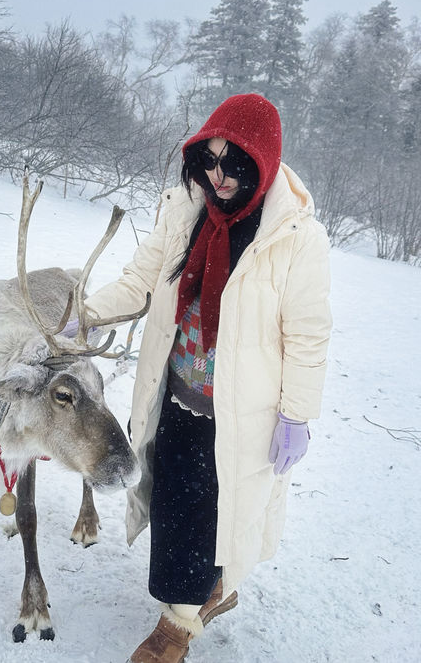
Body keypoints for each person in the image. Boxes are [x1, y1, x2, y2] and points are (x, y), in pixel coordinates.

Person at [83, 93, 332, 663]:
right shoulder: (186, 211)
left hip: (243, 414)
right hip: (178, 395)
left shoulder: (294, 237)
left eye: (234, 163)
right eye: (209, 160)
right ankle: (196, 596)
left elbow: (308, 334)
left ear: (262, 161)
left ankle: (177, 628)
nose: (218, 176)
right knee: (177, 508)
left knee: (222, 512)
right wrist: (87, 312)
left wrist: (296, 414)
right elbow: (142, 279)